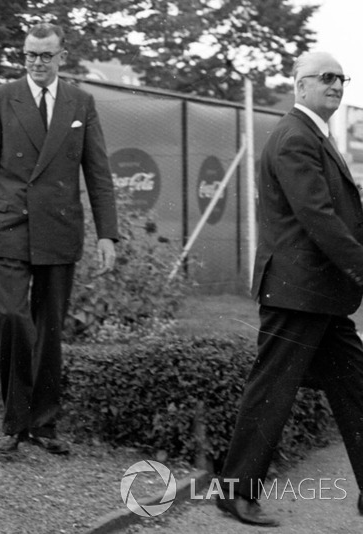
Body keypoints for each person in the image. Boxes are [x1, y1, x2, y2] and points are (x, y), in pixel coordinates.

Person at [217, 51, 363, 527]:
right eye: (326, 78)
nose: (337, 85)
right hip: (297, 294)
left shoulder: (312, 135)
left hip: (317, 294)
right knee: (271, 393)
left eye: (341, 78)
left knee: (357, 387)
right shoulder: (295, 138)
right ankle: (235, 494)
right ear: (300, 86)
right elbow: (318, 216)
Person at [0, 22, 118, 458]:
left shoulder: (81, 101)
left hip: (58, 229)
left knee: (50, 328)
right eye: (30, 55)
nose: (37, 62)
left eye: (45, 55)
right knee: (12, 319)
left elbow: (98, 172)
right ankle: (15, 422)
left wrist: (108, 234)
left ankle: (44, 423)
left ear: (61, 56)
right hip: (8, 227)